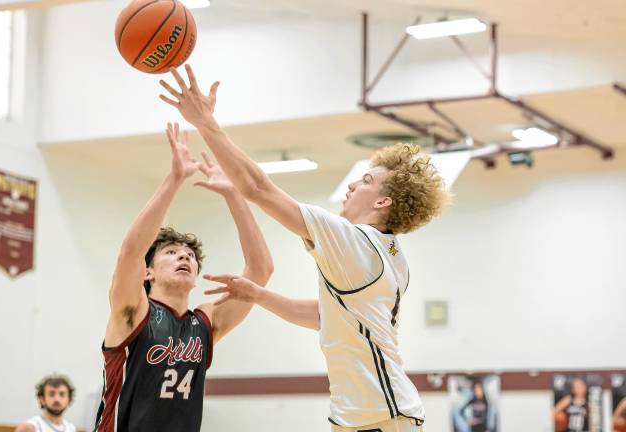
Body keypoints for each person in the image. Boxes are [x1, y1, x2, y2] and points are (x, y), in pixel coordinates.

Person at [159, 66, 450, 432]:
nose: (351, 187)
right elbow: (326, 315)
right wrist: (259, 295)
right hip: (373, 416)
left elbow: (259, 188)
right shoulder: (391, 255)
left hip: (379, 418)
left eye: (365, 181)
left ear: (383, 202)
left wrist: (205, 123)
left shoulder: (354, 241)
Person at [93, 123, 273, 432]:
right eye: (171, 252)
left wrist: (233, 195)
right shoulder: (133, 312)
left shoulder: (204, 323)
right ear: (147, 272)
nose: (184, 257)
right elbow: (130, 251)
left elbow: (261, 271)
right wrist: (175, 179)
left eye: (189, 255)